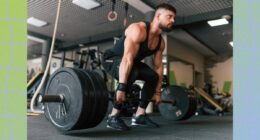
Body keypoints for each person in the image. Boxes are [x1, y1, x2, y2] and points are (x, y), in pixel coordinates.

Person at [101, 3, 176, 131]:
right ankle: (113, 116)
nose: (173, 20)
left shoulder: (160, 42)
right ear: (158, 16)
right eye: (169, 16)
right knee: (133, 71)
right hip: (112, 59)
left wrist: (157, 93)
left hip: (131, 62)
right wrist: (122, 88)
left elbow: (158, 67)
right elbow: (127, 58)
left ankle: (139, 115)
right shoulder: (138, 29)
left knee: (152, 76)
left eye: (174, 18)